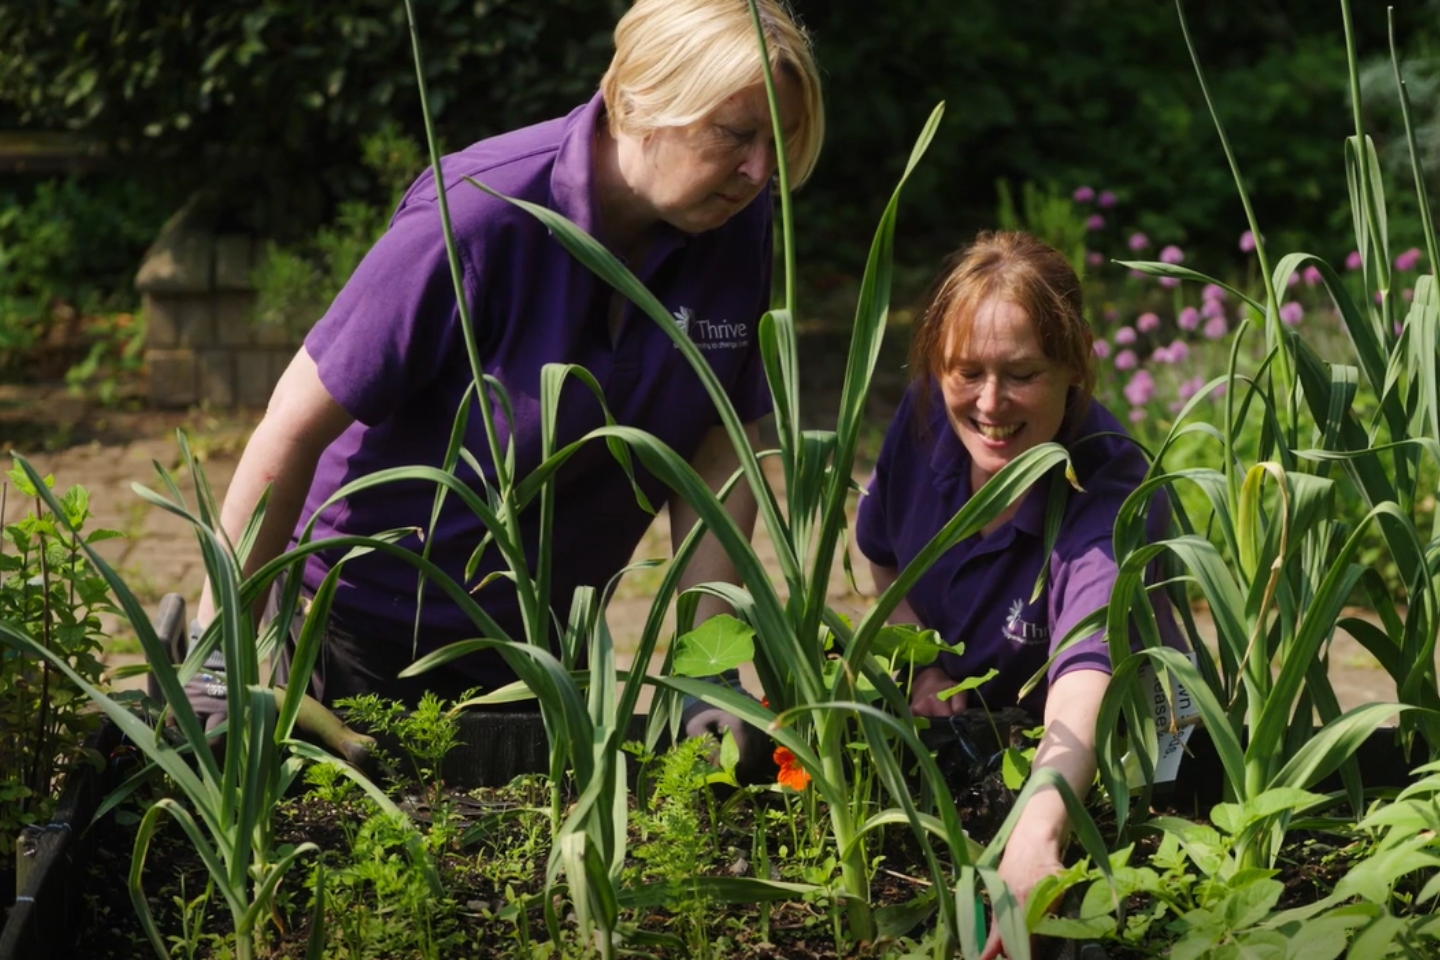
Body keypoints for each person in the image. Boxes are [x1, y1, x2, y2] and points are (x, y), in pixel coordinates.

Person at [183, 0, 825, 767]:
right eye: (734, 134)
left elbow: (719, 455)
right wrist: (219, 653)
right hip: (347, 635)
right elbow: (291, 425)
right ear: (639, 101)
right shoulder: (479, 215)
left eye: (779, 141)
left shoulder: (733, 227)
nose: (763, 171)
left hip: (533, 653)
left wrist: (705, 669)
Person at [854, 231, 1181, 959]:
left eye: (1022, 374)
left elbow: (1090, 667)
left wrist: (1037, 831)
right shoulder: (923, 420)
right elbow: (879, 557)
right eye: (966, 371)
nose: (991, 403)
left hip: (1116, 760)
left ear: (1075, 364)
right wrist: (926, 665)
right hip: (975, 745)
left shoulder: (1110, 482)